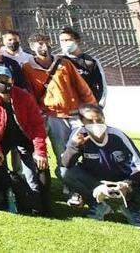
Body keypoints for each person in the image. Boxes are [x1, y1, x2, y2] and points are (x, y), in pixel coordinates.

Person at [23, 32, 96, 205]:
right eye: (39, 43)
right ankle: (71, 190)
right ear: (32, 47)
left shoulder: (64, 63)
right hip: (53, 116)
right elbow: (30, 93)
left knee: (85, 150)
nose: (43, 46)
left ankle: (89, 187)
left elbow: (82, 87)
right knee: (63, 153)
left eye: (46, 42)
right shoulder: (28, 68)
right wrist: (37, 112)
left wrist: (92, 109)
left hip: (75, 114)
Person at [62, 104, 140, 228]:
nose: (96, 124)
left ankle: (131, 208)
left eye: (99, 120)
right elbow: (66, 164)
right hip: (96, 182)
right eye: (90, 121)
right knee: (64, 172)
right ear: (82, 121)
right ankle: (98, 205)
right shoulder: (78, 135)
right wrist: (75, 146)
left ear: (104, 119)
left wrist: (127, 183)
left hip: (124, 182)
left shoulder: (117, 135)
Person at [0, 66, 50, 214]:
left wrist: (40, 151)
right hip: (1, 137)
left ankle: (38, 202)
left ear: (13, 80)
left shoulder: (24, 96)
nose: (4, 83)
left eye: (7, 79)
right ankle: (6, 196)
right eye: (0, 80)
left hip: (24, 137)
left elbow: (37, 124)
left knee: (34, 170)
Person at [57, 27, 107, 108]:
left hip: (89, 108)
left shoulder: (90, 61)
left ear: (77, 41)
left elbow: (102, 85)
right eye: (62, 41)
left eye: (67, 40)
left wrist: (99, 106)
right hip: (67, 109)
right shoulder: (57, 61)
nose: (64, 43)